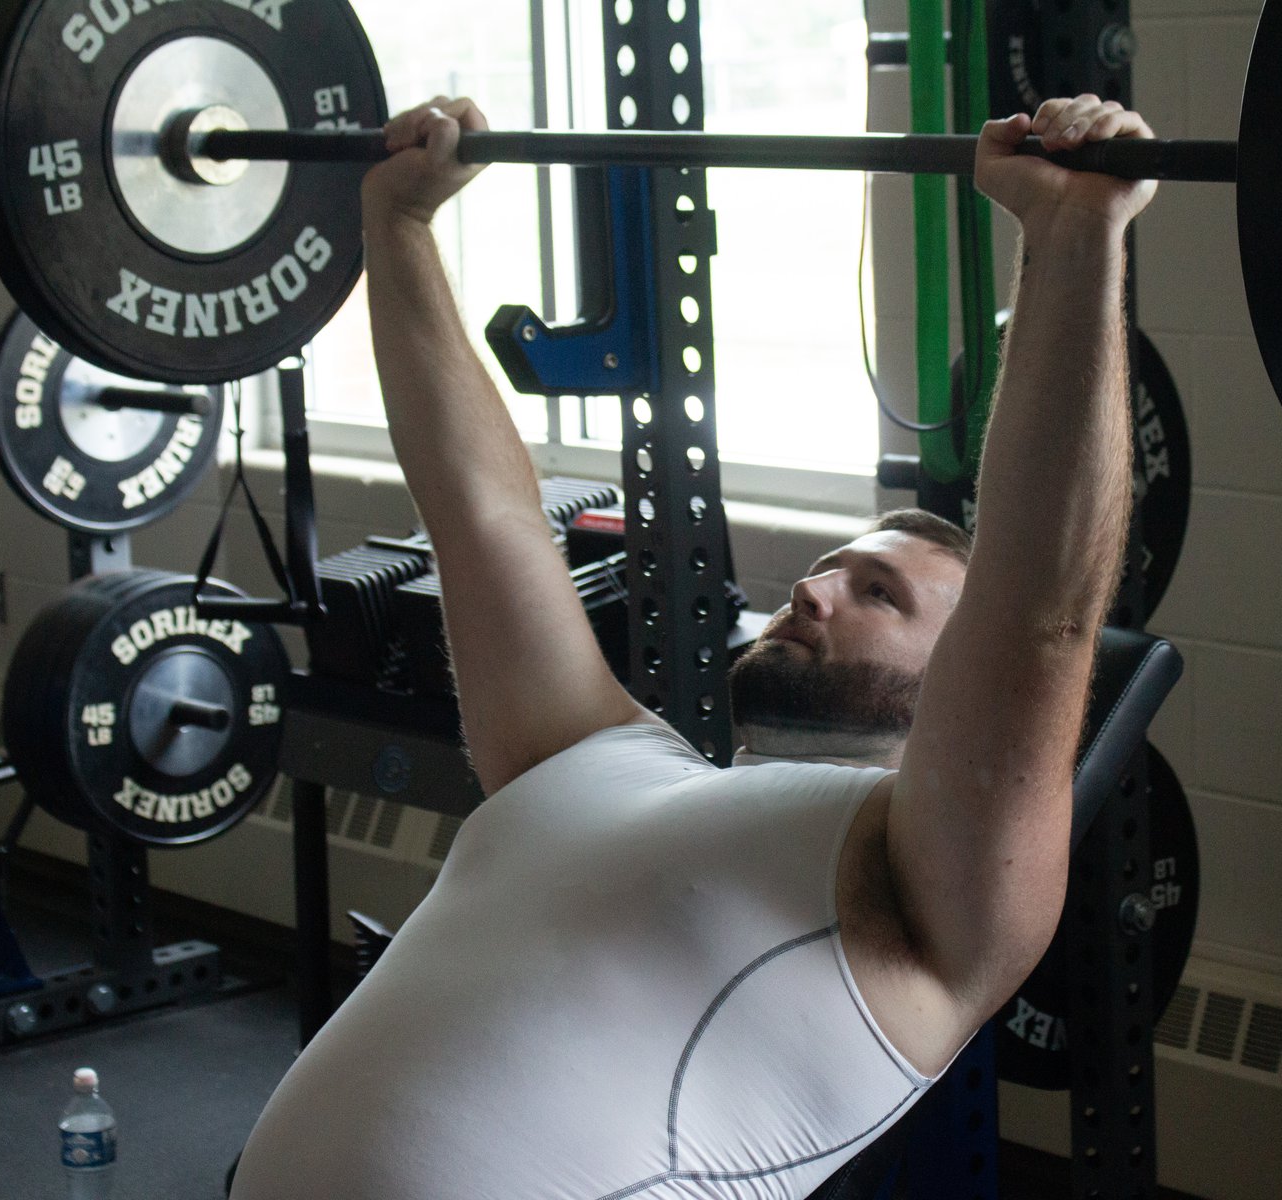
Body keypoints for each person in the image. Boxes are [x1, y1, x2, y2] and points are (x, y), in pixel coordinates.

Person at [229, 92, 1156, 1200]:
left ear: (949, 684)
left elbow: (1040, 611)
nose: (812, 592)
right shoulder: (587, 754)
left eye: (878, 593)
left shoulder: (928, 890)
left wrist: (1072, 238)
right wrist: (399, 229)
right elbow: (482, 512)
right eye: (827, 568)